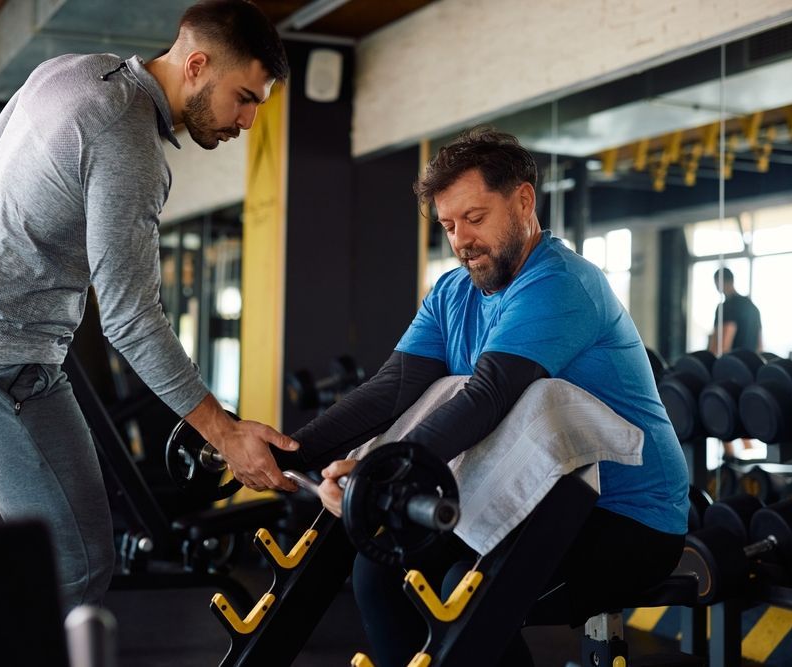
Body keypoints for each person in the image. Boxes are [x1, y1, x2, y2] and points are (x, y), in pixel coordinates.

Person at [0, 0, 297, 610]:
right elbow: (130, 316)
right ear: (196, 64)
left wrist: (31, 248)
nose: (247, 121)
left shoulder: (68, 71)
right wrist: (223, 433)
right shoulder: (132, 146)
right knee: (78, 562)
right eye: (243, 97)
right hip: (0, 363)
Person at [275, 129, 689, 666]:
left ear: (523, 201)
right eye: (448, 226)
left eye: (475, 218)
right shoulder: (453, 293)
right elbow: (393, 389)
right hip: (528, 498)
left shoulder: (561, 283)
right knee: (377, 571)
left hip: (629, 520)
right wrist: (291, 452)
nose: (461, 239)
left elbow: (488, 395)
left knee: (461, 588)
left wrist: (375, 475)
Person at [707, 266, 762, 457]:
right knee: (742, 416)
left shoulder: (726, 306)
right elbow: (760, 344)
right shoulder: (751, 306)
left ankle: (730, 458)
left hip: (730, 370)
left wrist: (710, 365)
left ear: (719, 283)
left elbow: (724, 340)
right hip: (750, 368)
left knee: (721, 413)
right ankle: (748, 458)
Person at [707, 267, 762, 356]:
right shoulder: (752, 307)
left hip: (732, 365)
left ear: (717, 282)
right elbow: (760, 346)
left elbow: (723, 345)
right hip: (750, 365)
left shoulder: (726, 306)